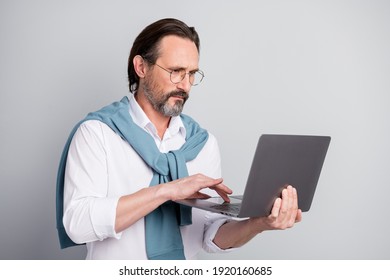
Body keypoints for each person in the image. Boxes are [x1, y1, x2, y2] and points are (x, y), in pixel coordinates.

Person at [56, 18, 302, 260]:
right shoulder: (98, 133)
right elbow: (77, 225)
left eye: (192, 74)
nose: (185, 85)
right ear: (141, 67)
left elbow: (209, 234)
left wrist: (258, 223)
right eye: (175, 72)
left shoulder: (202, 143)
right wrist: (166, 191)